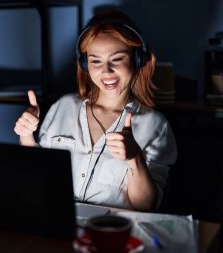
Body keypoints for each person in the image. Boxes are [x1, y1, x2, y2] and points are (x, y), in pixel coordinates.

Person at [14, 9, 177, 211]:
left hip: (114, 230)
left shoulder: (155, 125)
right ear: (85, 64)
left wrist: (135, 158)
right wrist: (27, 137)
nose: (106, 71)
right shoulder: (63, 107)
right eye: (96, 61)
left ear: (137, 61)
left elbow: (145, 206)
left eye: (117, 59)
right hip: (56, 222)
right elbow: (38, 174)